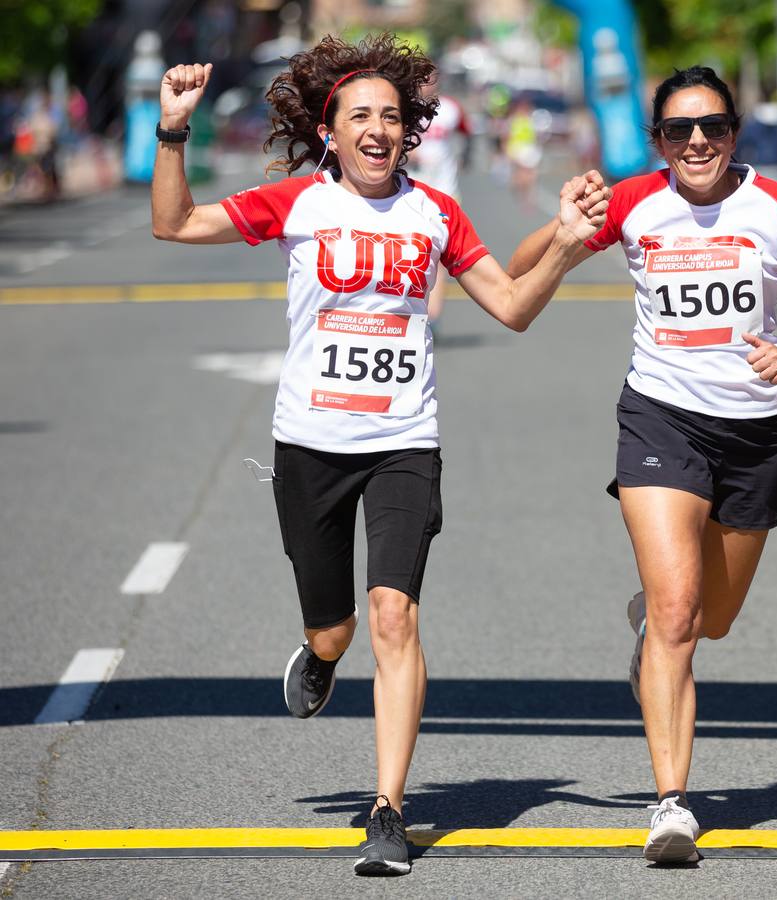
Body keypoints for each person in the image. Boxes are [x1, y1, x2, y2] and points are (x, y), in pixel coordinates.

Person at [148, 34, 608, 876]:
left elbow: (509, 305)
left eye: (391, 117)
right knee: (338, 627)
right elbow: (173, 224)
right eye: (359, 115)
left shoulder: (435, 213)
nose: (377, 129)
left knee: (396, 617)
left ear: (408, 132)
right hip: (311, 445)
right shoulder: (295, 204)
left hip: (404, 441)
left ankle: (388, 809)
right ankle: (321, 656)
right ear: (331, 130)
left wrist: (569, 248)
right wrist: (172, 131)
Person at [508, 65, 777, 864]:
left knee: (713, 618)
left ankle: (654, 626)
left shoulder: (776, 207)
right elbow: (524, 264)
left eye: (712, 128)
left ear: (734, 134)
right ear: (658, 141)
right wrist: (563, 224)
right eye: (678, 131)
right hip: (660, 417)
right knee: (676, 618)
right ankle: (671, 805)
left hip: (756, 435)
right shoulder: (634, 202)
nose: (696, 142)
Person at [405, 70, 471, 325]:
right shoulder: (403, 108)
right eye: (420, 79)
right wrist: (408, 155)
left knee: (438, 256)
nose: (425, 84)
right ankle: (409, 310)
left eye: (430, 79)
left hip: (444, 192)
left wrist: (464, 156)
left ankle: (432, 316)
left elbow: (467, 131)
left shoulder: (451, 109)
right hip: (409, 193)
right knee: (409, 253)